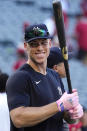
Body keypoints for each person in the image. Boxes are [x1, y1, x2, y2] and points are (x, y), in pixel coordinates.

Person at [6, 24, 83, 131]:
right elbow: (18, 119)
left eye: (43, 43)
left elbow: (64, 115)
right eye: (34, 44)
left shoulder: (54, 75)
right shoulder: (19, 78)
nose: (40, 48)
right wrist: (59, 105)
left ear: (50, 44)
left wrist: (73, 112)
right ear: (25, 46)